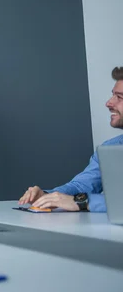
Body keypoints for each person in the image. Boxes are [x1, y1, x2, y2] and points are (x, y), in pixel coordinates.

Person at [18, 67, 123, 212]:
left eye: (120, 97)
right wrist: (49, 196)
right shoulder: (111, 148)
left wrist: (84, 202)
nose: (109, 103)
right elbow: (82, 186)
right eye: (113, 95)